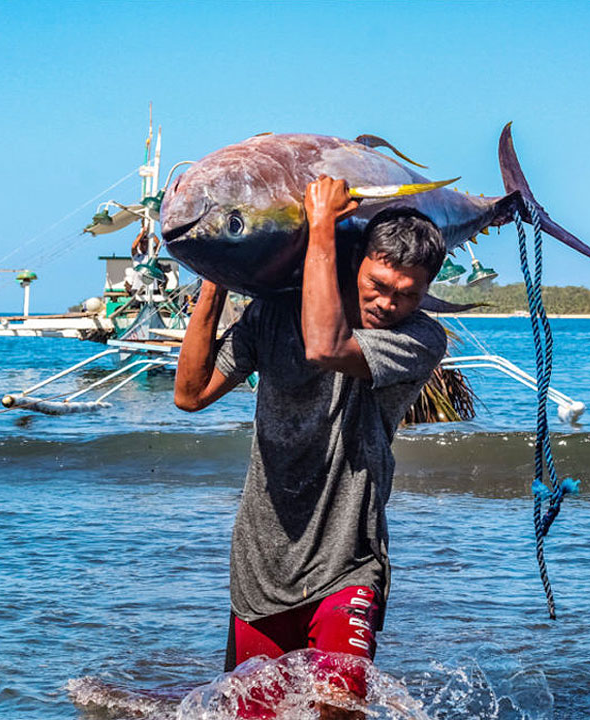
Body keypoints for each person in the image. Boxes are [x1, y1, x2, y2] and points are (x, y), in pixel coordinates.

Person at [174, 176, 447, 716]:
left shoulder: (418, 338)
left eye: (407, 293)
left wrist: (320, 224)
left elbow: (326, 346)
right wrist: (216, 275)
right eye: (379, 284)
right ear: (358, 264)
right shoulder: (272, 316)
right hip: (260, 566)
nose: (389, 303)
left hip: (348, 560)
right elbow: (189, 394)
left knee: (339, 710)